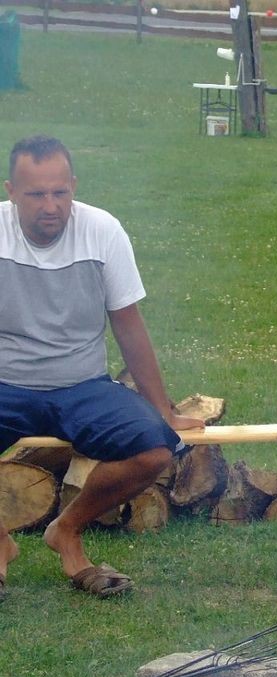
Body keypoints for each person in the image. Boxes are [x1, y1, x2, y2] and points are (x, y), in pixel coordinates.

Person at [0, 135, 202, 597]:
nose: (50, 206)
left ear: (73, 185)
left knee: (154, 448)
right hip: (6, 382)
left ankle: (66, 531)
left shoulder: (102, 230)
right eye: (36, 194)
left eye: (60, 192)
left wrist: (164, 410)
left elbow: (129, 327)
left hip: (82, 384)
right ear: (11, 191)